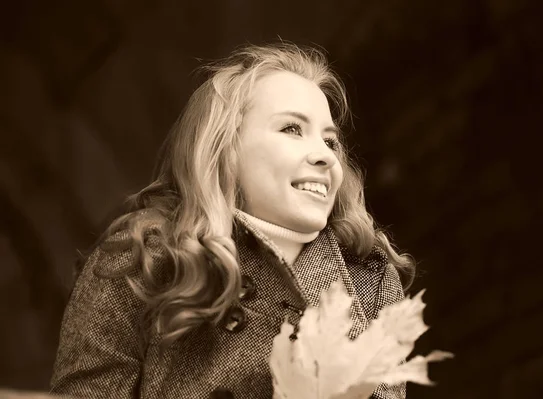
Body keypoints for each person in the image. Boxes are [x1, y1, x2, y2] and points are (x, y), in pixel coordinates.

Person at [50, 42, 416, 399]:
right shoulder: (143, 256)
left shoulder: (371, 276)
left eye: (330, 141)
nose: (325, 156)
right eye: (292, 129)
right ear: (224, 148)